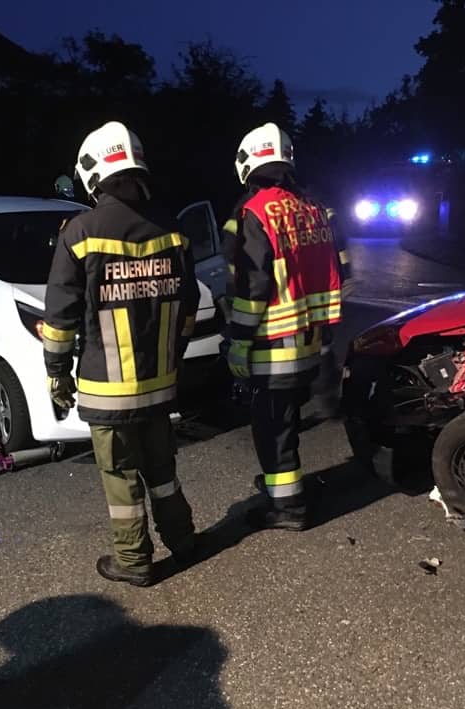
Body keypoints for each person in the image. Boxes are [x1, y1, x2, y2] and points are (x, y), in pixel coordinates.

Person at [43, 121, 200, 587]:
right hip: (160, 384)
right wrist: (174, 356)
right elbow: (189, 306)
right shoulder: (172, 231)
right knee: (162, 470)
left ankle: (133, 561)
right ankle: (183, 539)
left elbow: (60, 319)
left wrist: (57, 374)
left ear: (92, 174)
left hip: (106, 390)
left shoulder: (80, 233)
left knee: (121, 476)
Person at [225, 122, 345, 531]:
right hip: (310, 340)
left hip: (274, 345)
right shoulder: (312, 208)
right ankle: (283, 487)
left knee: (272, 429)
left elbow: (254, 286)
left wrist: (239, 341)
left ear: (248, 163)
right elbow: (335, 268)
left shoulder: (256, 211)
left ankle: (289, 507)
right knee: (287, 420)